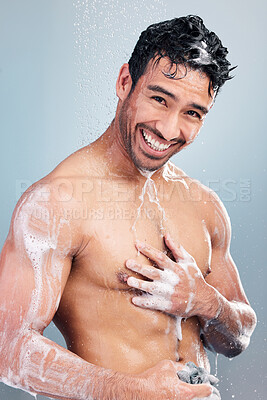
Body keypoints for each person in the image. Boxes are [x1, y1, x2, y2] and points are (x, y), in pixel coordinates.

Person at [0, 15, 257, 400]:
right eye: (159, 99)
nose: (170, 129)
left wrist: (207, 301)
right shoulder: (57, 202)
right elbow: (9, 349)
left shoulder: (205, 206)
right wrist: (133, 390)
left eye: (192, 113)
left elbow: (238, 337)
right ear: (125, 82)